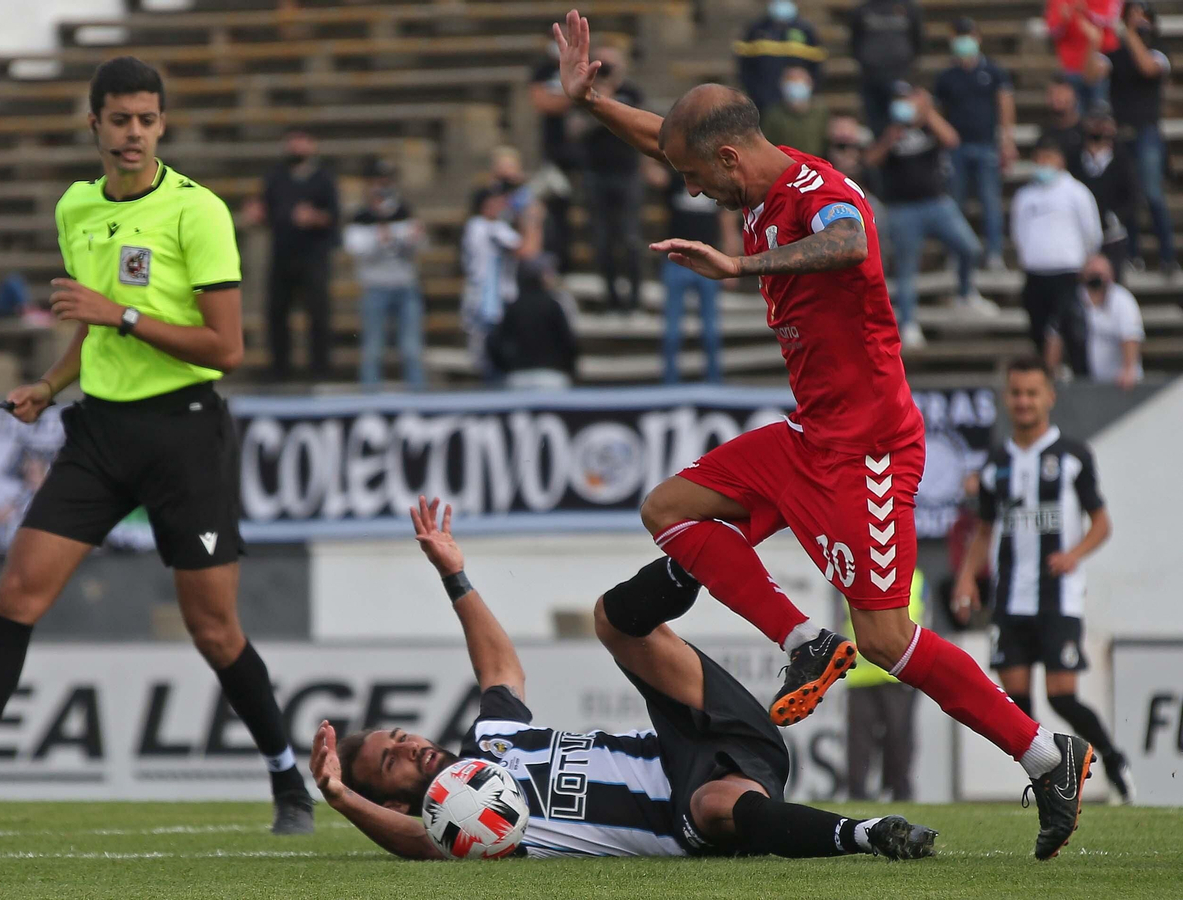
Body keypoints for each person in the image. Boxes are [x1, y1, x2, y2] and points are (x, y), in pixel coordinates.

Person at [552, 9, 1093, 860]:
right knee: (670, 509)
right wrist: (591, 102)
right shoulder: (746, 177)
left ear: (730, 159)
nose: (694, 190)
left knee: (886, 640)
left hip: (871, 449)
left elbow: (846, 243)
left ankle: (1042, 755)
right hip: (810, 437)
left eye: (699, 179)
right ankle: (804, 641)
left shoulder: (821, 195)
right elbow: (673, 139)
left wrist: (742, 266)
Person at [0, 56, 313, 839]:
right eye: (120, 119)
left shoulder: (197, 211)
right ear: (95, 125)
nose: (134, 133)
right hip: (101, 433)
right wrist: (49, 384)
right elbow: (89, 322)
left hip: (184, 435)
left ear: (162, 125)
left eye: (147, 119)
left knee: (213, 629)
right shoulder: (76, 208)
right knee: (15, 595)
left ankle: (289, 782)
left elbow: (226, 348)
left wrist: (125, 317)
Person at [310, 496, 938, 861]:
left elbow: (500, 668)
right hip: (698, 803)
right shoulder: (465, 824)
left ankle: (707, 548)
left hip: (696, 729)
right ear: (394, 799)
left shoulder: (491, 748)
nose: (406, 744)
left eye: (396, 734)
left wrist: (455, 576)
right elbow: (424, 842)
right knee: (716, 805)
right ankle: (865, 834)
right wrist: (343, 799)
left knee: (613, 621)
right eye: (391, 761)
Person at [952, 356, 1134, 803]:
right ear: (1006, 398)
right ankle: (1049, 781)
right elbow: (987, 530)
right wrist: (965, 579)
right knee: (1015, 703)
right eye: (1016, 393)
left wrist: (1074, 554)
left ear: (1049, 396)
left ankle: (1113, 759)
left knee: (1062, 696)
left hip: (1058, 598)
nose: (1024, 401)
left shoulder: (1072, 456)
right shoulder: (996, 461)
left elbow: (1102, 523)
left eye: (1032, 393)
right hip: (1010, 597)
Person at [866, 83, 985, 346]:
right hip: (901, 208)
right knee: (907, 270)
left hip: (937, 202)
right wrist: (889, 138)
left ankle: (965, 294)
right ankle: (908, 323)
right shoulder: (886, 127)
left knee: (970, 248)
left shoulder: (929, 125)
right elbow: (870, 160)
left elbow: (952, 140)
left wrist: (928, 113)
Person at [1095, 0, 1177, 279]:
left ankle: (1168, 257)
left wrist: (1128, 32)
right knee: (1126, 198)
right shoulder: (1116, 54)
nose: (1136, 22)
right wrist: (1091, 40)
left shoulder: (1159, 51)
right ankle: (1132, 254)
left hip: (1147, 133)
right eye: (1132, 17)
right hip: (1121, 134)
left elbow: (1147, 68)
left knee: (1153, 195)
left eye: (1141, 17)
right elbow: (1092, 73)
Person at [1011, 138, 1103, 376]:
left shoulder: (1077, 193)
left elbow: (1091, 231)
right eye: (1039, 159)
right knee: (1039, 329)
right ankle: (1046, 375)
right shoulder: (1025, 196)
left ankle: (1080, 374)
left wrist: (1084, 259)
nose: (1043, 164)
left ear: (1060, 160)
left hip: (1067, 272)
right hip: (1036, 273)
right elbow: (1017, 232)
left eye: (1048, 158)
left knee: (1071, 329)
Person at [934, 18, 1017, 271]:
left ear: (978, 37)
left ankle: (993, 253)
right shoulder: (947, 76)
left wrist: (1007, 139)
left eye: (968, 34)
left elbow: (1005, 103)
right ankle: (955, 252)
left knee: (990, 201)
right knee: (954, 201)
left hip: (986, 145)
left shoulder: (992, 71)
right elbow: (939, 110)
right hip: (956, 148)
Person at [646, 157, 738, 383]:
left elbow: (727, 222)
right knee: (672, 332)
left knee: (710, 331)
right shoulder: (676, 179)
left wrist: (732, 262)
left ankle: (714, 383)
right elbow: (650, 172)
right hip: (676, 262)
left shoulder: (715, 183)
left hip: (708, 263)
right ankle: (670, 384)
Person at [261, 129, 340, 379]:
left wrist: (315, 218)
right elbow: (265, 211)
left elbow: (334, 217)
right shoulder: (276, 177)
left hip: (313, 257)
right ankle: (280, 370)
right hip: (283, 255)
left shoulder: (324, 180)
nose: (296, 146)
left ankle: (320, 370)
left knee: (318, 313)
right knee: (277, 313)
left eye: (302, 141)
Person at [344, 158, 426, 391]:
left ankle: (419, 400)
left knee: (411, 349)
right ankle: (370, 400)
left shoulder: (404, 211)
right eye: (377, 181)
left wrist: (393, 235)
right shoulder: (360, 216)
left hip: (406, 286)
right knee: (373, 349)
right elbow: (357, 249)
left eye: (386, 180)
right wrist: (384, 235)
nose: (382, 186)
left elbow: (417, 242)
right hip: (375, 288)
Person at [843, 573, 924, 802]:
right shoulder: (913, 576)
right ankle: (858, 791)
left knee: (898, 737)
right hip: (866, 671)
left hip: (898, 671)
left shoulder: (914, 577)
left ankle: (899, 791)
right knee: (862, 738)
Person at [579, 46, 646, 313]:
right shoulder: (585, 93)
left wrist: (612, 102)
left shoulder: (631, 93)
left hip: (628, 173)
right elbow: (575, 129)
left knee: (630, 239)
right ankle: (611, 298)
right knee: (603, 241)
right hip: (597, 174)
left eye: (611, 65)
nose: (606, 70)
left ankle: (635, 300)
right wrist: (597, 104)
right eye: (602, 64)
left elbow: (641, 124)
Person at [462, 187, 542, 380]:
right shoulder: (481, 226)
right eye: (496, 202)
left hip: (494, 301)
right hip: (486, 302)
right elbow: (528, 251)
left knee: (498, 357)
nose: (501, 206)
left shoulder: (492, 226)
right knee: (491, 359)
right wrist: (533, 219)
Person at [1070, 102, 1139, 278]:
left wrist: (1116, 217)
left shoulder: (1123, 159)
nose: (1099, 127)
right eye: (1094, 121)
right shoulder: (1074, 159)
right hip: (1078, 236)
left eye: (1103, 121)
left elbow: (1134, 197)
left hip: (1111, 236)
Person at [528, 43, 580, 272]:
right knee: (556, 209)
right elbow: (542, 102)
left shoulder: (582, 65)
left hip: (585, 153)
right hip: (554, 154)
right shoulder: (544, 69)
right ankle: (560, 262)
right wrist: (573, 96)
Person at [488, 260, 578, 390]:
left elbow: (494, 342)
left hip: (519, 377)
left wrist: (506, 367)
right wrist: (569, 368)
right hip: (551, 377)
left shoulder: (513, 308)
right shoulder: (552, 306)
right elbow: (568, 342)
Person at [734, 0, 825, 114]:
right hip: (762, 102)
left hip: (798, 104)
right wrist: (755, 92)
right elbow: (744, 67)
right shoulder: (755, 30)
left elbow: (817, 67)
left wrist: (809, 92)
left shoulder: (806, 31)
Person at [848, 0, 923, 135]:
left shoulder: (908, 8)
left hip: (901, 76)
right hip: (871, 78)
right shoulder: (862, 10)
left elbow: (917, 41)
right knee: (877, 126)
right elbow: (855, 42)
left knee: (904, 122)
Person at [1077, 254, 1145, 387]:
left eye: (1100, 274)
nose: (1096, 278)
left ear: (1110, 275)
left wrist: (1128, 368)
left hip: (1120, 382)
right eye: (1092, 273)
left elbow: (1131, 335)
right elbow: (1056, 334)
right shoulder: (1074, 300)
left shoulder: (1122, 299)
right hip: (1087, 380)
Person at [1047, 0, 1119, 112]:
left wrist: (1085, 11)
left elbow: (1111, 18)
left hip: (1102, 56)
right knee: (1075, 110)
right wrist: (1064, 18)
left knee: (1100, 107)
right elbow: (1053, 31)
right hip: (1071, 65)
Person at [759, 66, 830, 159]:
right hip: (786, 163)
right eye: (791, 81)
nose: (796, 86)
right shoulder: (773, 114)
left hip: (818, 162)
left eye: (799, 81)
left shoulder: (821, 111)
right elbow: (767, 144)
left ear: (810, 84)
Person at [1043, 74, 1088, 165]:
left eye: (1061, 93)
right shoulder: (1045, 136)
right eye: (1052, 93)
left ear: (1075, 96)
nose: (1057, 98)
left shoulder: (1087, 133)